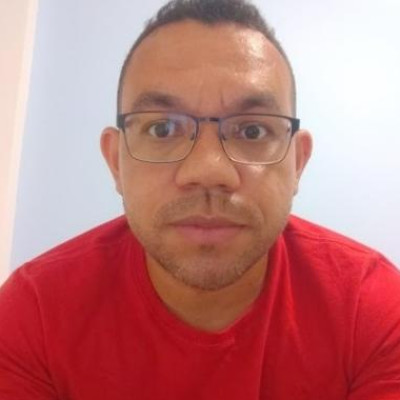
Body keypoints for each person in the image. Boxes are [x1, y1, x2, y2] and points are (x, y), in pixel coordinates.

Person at [1, 0, 399, 398]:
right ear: (116, 162)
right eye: (162, 129)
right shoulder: (33, 314)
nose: (209, 171)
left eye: (253, 131)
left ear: (297, 162)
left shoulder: (373, 308)